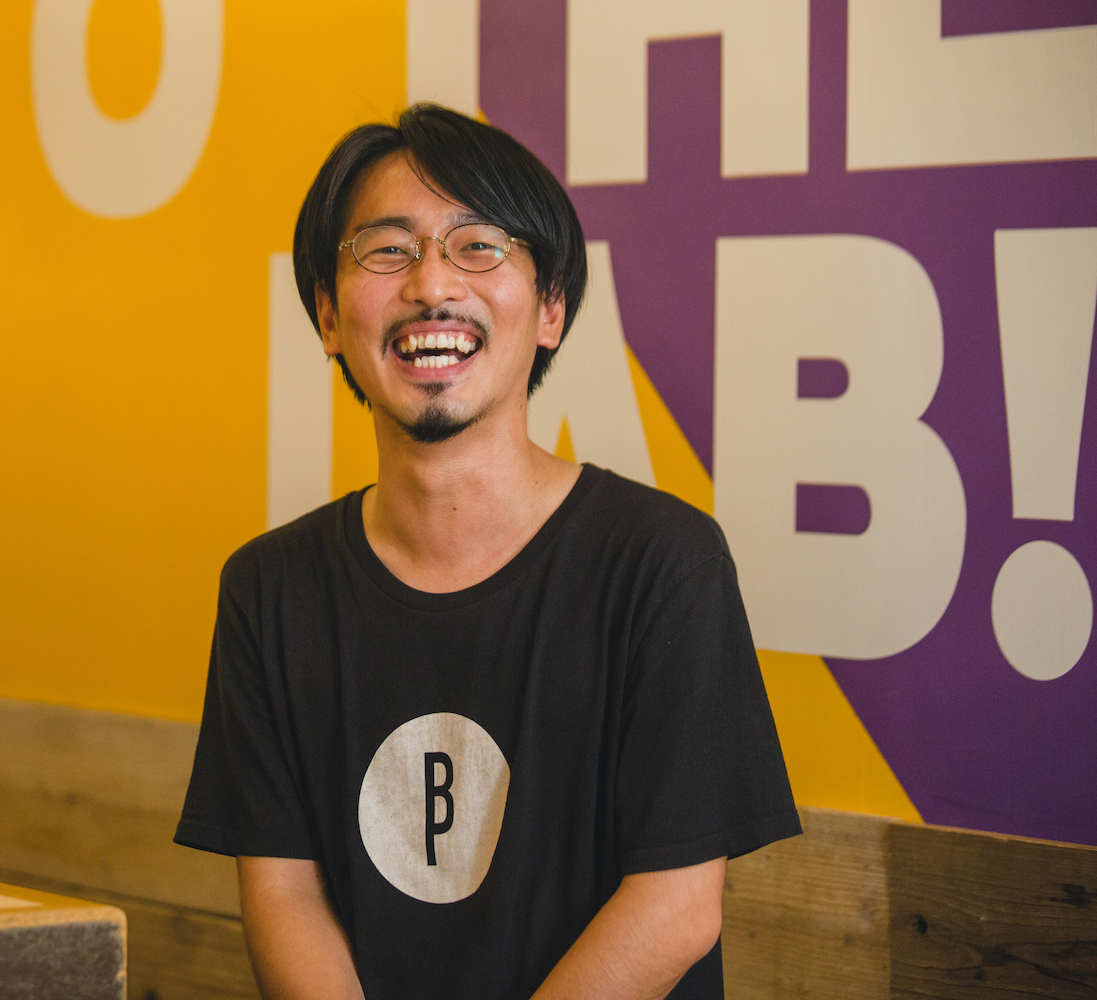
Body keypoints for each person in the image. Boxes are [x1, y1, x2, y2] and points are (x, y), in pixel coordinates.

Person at [175, 104, 799, 1000]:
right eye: (387, 249)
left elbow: (675, 907)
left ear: (551, 309)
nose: (432, 284)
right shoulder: (268, 592)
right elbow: (285, 895)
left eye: (478, 246)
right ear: (327, 315)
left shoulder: (664, 565)